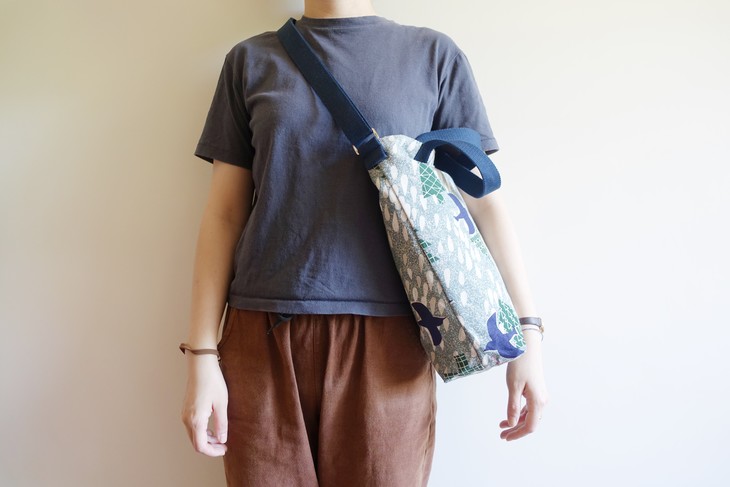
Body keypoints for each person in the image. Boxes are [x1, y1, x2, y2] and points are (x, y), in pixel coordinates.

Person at [181, 0, 549, 485]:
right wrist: (202, 355)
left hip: (391, 342)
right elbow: (225, 214)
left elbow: (483, 207)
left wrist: (528, 338)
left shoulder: (434, 56)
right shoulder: (250, 61)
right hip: (261, 335)